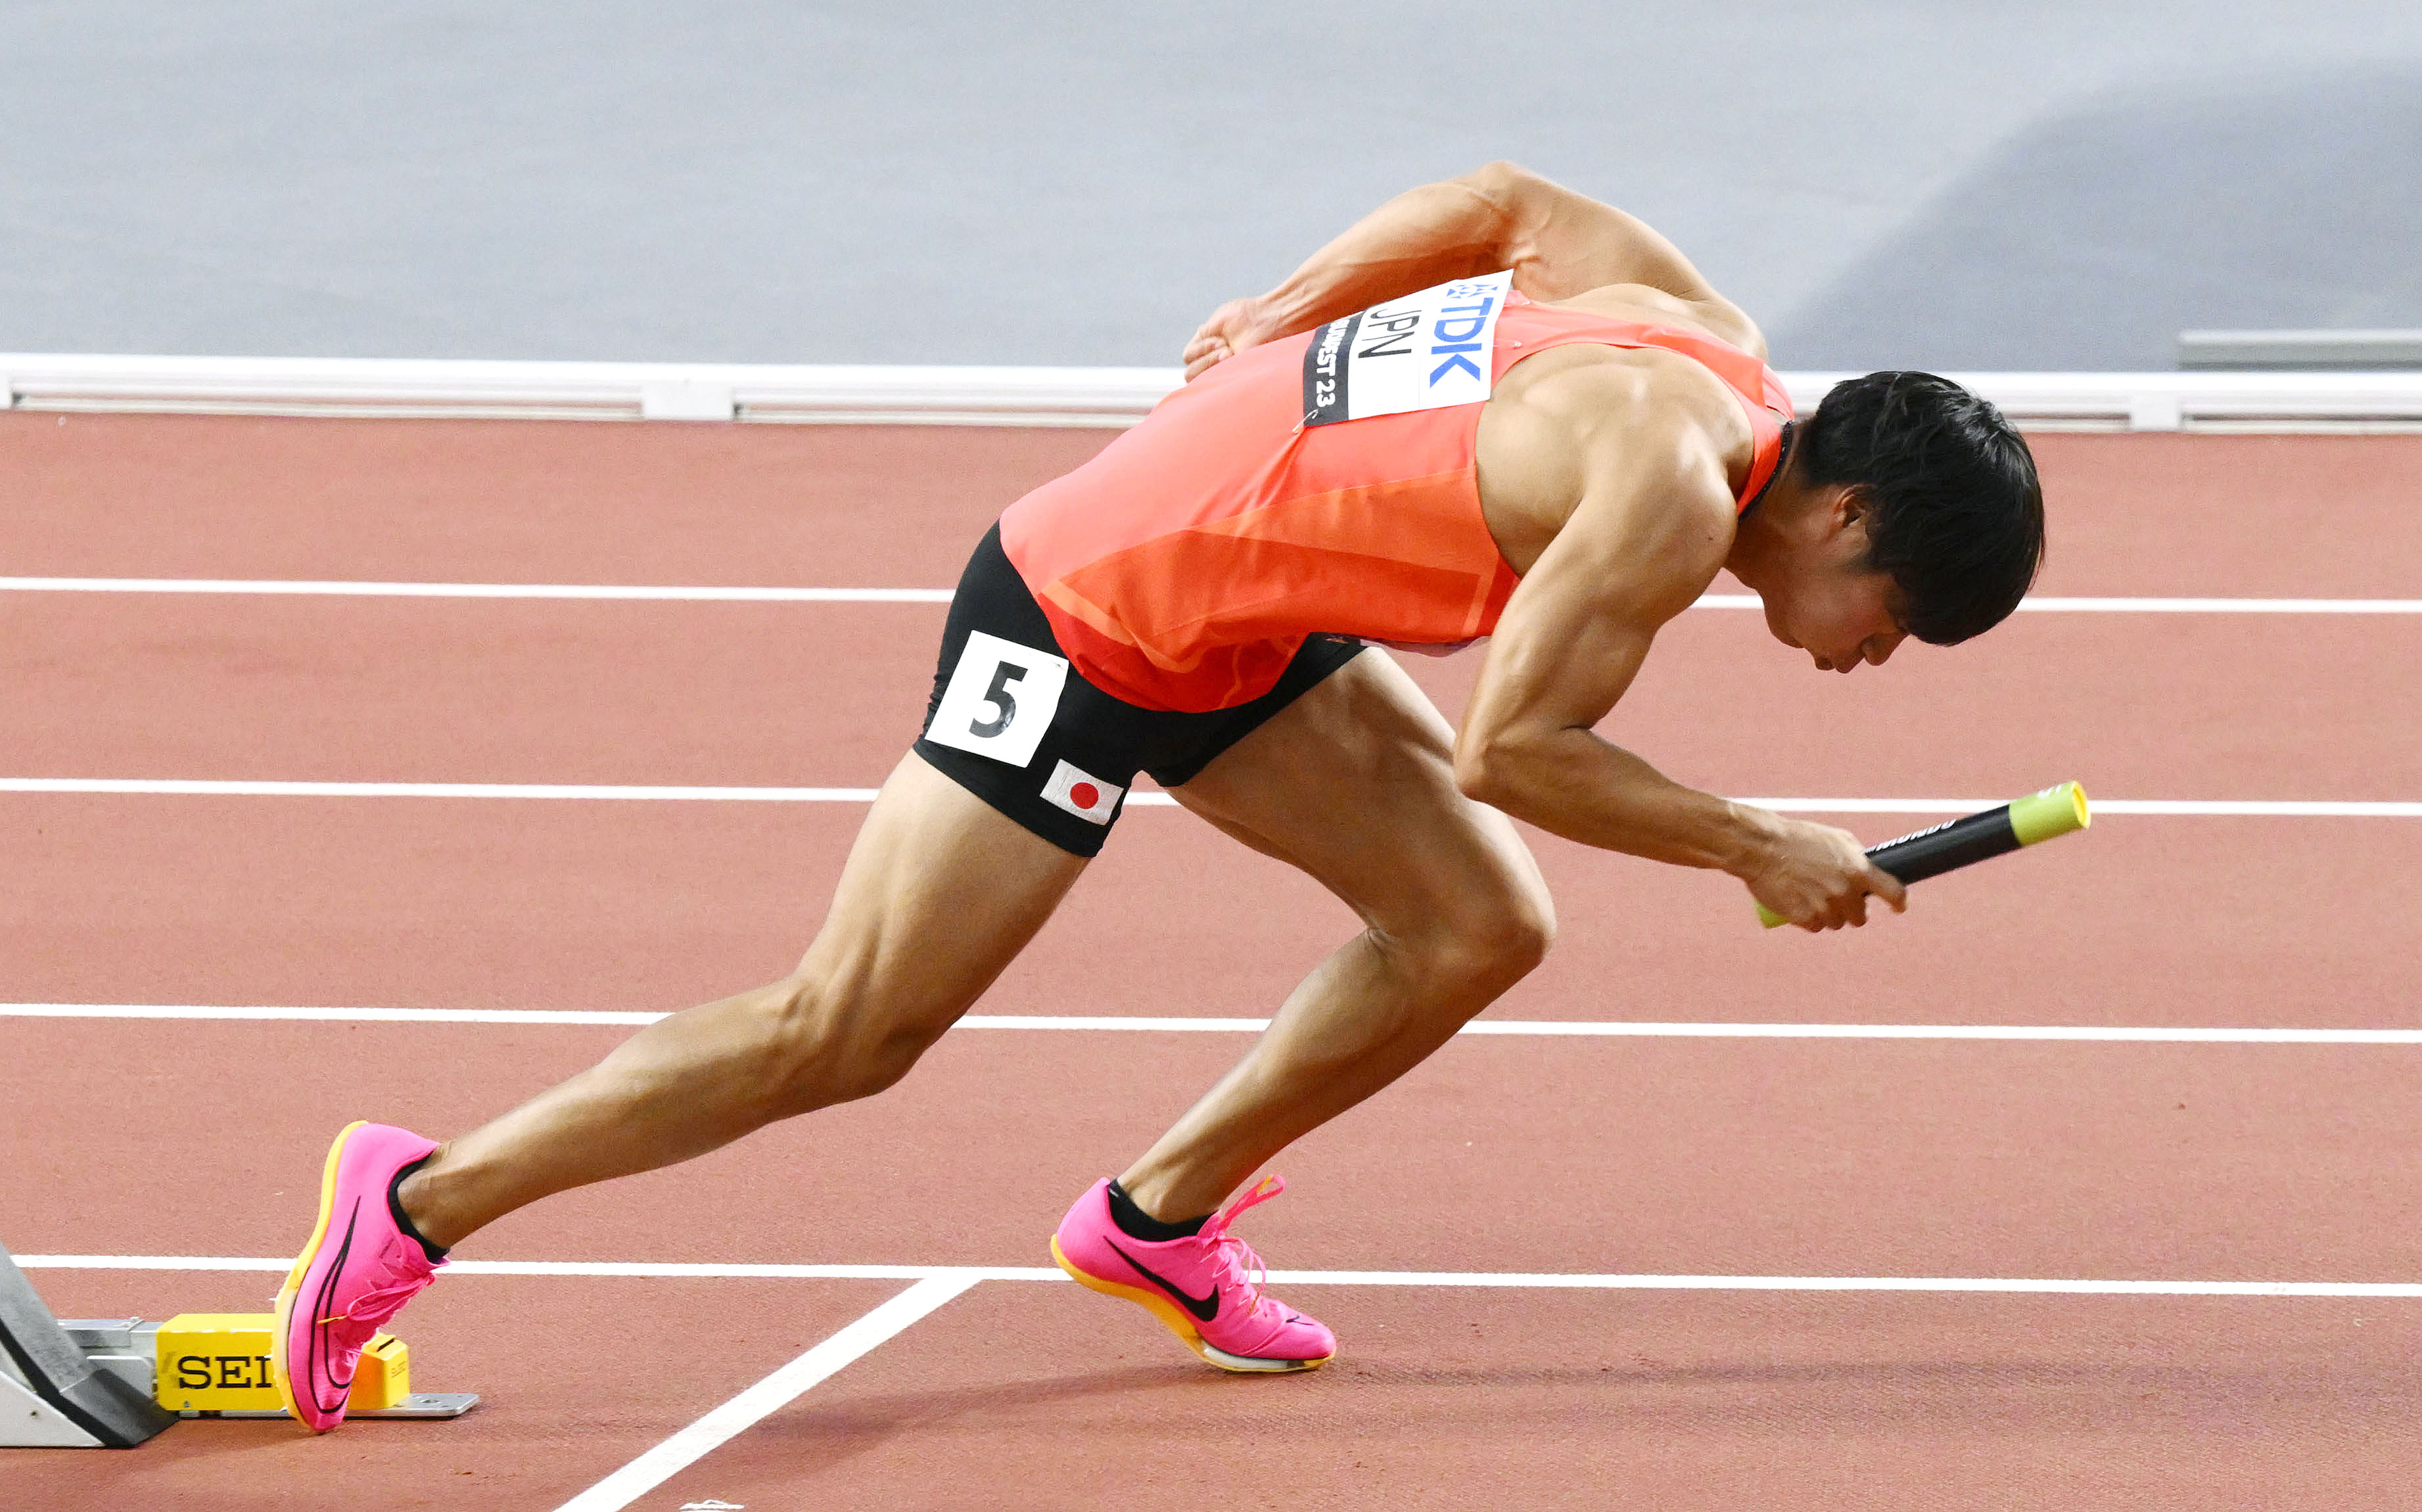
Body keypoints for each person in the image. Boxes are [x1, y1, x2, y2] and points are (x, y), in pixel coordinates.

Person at [271, 162, 2045, 1427]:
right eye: (1896, 621)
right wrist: (1753, 841)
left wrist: (1276, 323)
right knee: (851, 1030)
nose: (1874, 656)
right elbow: (1519, 749)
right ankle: (416, 1200)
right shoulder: (1664, 491)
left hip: (1253, 615)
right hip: (1090, 606)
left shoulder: (1705, 336)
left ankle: (1153, 1222)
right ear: (1844, 519)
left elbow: (1508, 199)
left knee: (1474, 920)